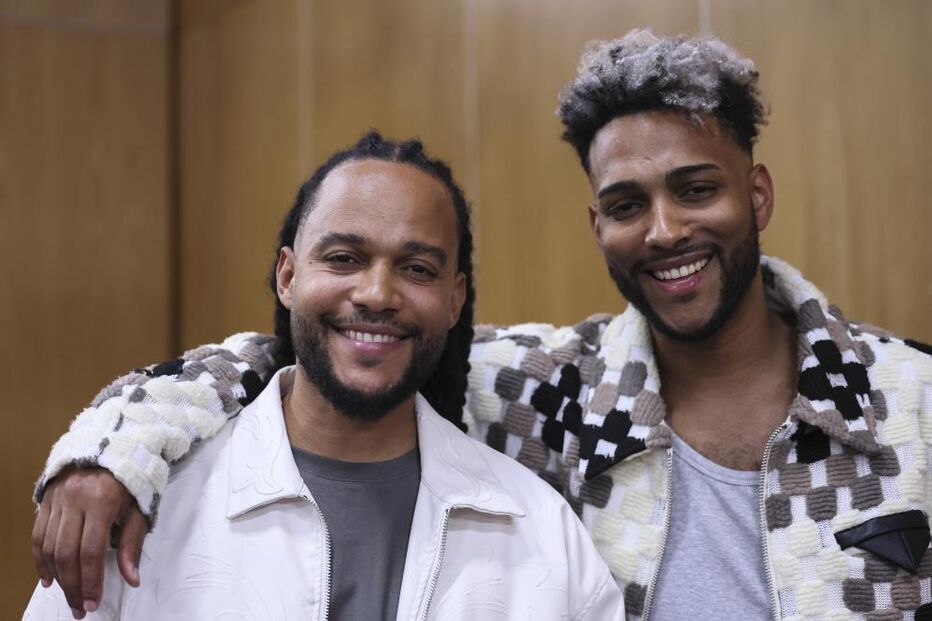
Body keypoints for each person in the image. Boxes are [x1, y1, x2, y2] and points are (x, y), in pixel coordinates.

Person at [32, 29, 932, 620]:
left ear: (757, 193)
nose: (663, 231)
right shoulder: (544, 388)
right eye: (626, 203)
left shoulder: (913, 403)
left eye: (696, 189)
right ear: (596, 226)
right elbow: (294, 355)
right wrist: (111, 450)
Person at [24, 132, 623, 620]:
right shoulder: (142, 506)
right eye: (343, 258)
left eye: (416, 268)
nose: (377, 293)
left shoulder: (545, 535)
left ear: (455, 299)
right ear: (287, 277)